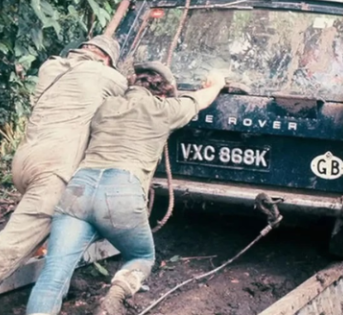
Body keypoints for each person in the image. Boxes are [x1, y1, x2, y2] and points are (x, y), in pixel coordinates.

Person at [0, 36, 127, 315]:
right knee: (15, 241)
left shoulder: (50, 67)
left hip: (25, 161)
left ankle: (60, 285)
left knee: (63, 221)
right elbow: (131, 95)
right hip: (55, 167)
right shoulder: (105, 75)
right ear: (106, 60)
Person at [25, 62, 225, 315]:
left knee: (52, 275)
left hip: (79, 190)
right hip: (121, 193)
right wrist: (216, 81)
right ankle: (116, 293)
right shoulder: (165, 109)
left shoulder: (105, 106)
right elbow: (202, 98)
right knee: (141, 255)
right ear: (163, 92)